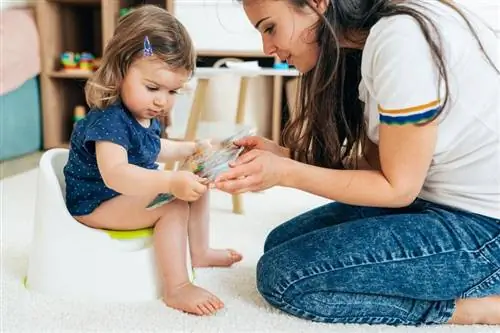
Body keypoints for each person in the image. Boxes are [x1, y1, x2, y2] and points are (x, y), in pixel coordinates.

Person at [215, 0, 500, 326]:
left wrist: (286, 173)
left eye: (270, 27)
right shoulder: (372, 40)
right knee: (280, 244)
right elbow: (378, 168)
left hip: (487, 230)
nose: (267, 47)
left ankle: (475, 309)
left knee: (285, 277)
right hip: (438, 203)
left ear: (317, 4)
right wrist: (287, 157)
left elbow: (397, 190)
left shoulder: (401, 38)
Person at [63, 5, 242, 316]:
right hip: (97, 202)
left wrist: (189, 150)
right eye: (152, 87)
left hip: (123, 196)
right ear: (119, 71)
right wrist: (169, 181)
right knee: (172, 205)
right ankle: (177, 288)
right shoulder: (109, 119)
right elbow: (115, 173)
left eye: (172, 91)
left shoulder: (145, 112)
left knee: (196, 179)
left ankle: (199, 251)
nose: (162, 100)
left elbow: (151, 147)